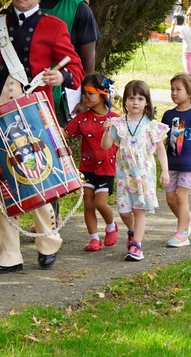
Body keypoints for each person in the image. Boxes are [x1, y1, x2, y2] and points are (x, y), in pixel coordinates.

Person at [0, 0, 84, 274]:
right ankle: (9, 253)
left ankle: (48, 239)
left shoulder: (53, 26)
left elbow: (75, 68)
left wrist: (59, 76)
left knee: (37, 176)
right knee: (3, 182)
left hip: (34, 114)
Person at [101, 80, 170, 261]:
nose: (135, 102)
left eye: (140, 98)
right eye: (131, 98)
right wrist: (107, 131)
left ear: (146, 102)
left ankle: (137, 246)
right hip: (125, 175)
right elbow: (105, 146)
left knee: (139, 210)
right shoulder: (119, 124)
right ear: (125, 101)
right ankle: (132, 232)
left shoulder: (151, 126)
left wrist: (165, 171)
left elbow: (160, 150)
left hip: (144, 175)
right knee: (124, 211)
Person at [63, 74, 119, 252]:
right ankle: (94, 238)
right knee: (88, 204)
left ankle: (111, 226)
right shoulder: (81, 119)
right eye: (83, 93)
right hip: (88, 168)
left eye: (90, 93)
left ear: (103, 94)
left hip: (107, 168)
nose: (85, 97)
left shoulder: (115, 119)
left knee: (100, 203)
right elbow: (64, 133)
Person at [43, 0, 101, 120]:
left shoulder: (79, 8)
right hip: (29, 93)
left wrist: (86, 98)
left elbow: (88, 61)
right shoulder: (31, 4)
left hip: (63, 96)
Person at [160, 73, 191, 247]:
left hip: (188, 165)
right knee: (170, 199)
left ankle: (182, 233)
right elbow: (164, 139)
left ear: (190, 92)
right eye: (172, 89)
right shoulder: (168, 115)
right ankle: (186, 218)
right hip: (171, 164)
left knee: (181, 196)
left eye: (178, 89)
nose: (174, 93)